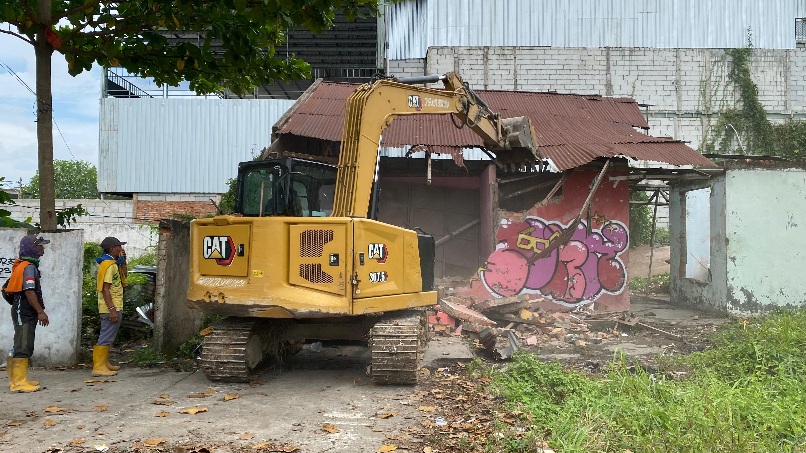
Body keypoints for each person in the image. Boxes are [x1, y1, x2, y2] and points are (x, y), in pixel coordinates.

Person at [6, 234, 50, 393]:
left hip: (22, 308)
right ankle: (18, 383)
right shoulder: (29, 267)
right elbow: (29, 291)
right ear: (32, 248)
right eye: (40, 245)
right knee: (23, 344)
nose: (42, 248)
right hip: (24, 309)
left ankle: (19, 379)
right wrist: (40, 311)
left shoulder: (24, 265)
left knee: (23, 342)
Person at [93, 236, 127, 376]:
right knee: (106, 335)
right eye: (119, 246)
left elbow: (124, 276)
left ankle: (104, 363)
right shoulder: (108, 265)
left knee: (108, 335)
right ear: (113, 248)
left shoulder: (113, 264)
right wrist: (112, 309)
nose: (122, 249)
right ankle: (99, 367)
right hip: (110, 307)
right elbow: (105, 288)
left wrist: (123, 262)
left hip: (114, 305)